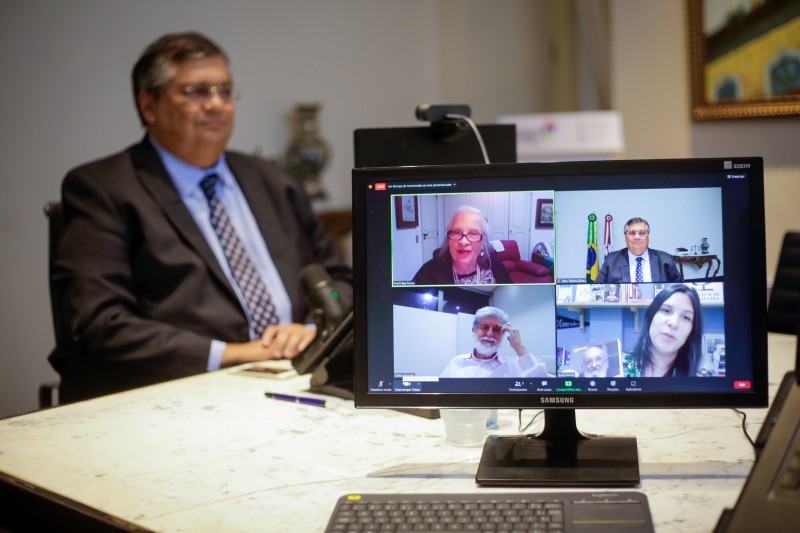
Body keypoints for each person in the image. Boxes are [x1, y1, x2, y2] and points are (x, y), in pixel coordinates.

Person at [51, 32, 352, 402]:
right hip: (172, 394)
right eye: (197, 91)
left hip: (296, 380)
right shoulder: (104, 189)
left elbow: (340, 281)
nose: (217, 105)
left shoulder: (274, 181)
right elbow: (99, 324)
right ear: (149, 106)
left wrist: (312, 329)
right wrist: (235, 354)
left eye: (225, 91)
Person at [412, 205, 512, 285]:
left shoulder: (492, 261)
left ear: (483, 242)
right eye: (456, 232)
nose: (463, 242)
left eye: (473, 233)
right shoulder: (428, 271)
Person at [440, 307, 550, 378]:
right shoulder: (457, 362)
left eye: (497, 329)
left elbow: (544, 386)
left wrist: (519, 347)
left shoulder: (512, 366)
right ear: (474, 330)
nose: (490, 334)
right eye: (484, 327)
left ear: (503, 333)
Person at [623, 285, 704, 377]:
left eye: (686, 317)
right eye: (666, 310)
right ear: (651, 316)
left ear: (691, 332)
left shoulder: (698, 383)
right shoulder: (616, 367)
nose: (674, 323)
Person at [595, 217, 683, 284]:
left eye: (642, 233)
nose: (637, 237)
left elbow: (680, 290)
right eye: (632, 233)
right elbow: (597, 290)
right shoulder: (611, 260)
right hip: (623, 307)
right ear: (625, 237)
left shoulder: (666, 260)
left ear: (648, 236)